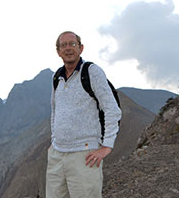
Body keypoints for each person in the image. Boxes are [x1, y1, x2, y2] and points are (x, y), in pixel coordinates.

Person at [46, 31, 122, 198]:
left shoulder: (92, 72)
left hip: (84, 155)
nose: (68, 48)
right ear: (58, 51)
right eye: (63, 45)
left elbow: (112, 109)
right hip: (57, 155)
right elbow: (55, 110)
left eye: (72, 44)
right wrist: (54, 140)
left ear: (81, 48)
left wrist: (106, 146)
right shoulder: (56, 77)